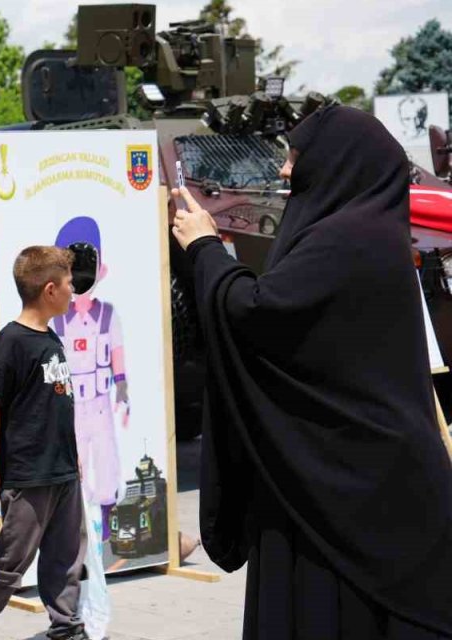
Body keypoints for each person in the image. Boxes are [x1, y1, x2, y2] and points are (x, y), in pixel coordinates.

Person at [173, 105, 452, 639]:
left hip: (351, 484)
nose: (283, 170)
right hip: (357, 472)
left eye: (295, 155)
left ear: (336, 161)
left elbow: (258, 313)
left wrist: (205, 246)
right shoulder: (364, 231)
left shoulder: (347, 240)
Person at [0, 246, 89, 640]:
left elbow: (56, 406)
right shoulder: (10, 343)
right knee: (12, 557)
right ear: (49, 290)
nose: (74, 289)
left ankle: (67, 627)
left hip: (61, 471)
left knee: (66, 556)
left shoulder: (50, 338)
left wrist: (72, 460)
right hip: (28, 474)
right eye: (70, 283)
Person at [51, 217, 129, 542]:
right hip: (72, 402)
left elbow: (117, 352)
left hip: (99, 399)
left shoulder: (108, 314)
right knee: (75, 460)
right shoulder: (58, 320)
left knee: (106, 456)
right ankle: (74, 521)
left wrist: (122, 387)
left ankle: (109, 514)